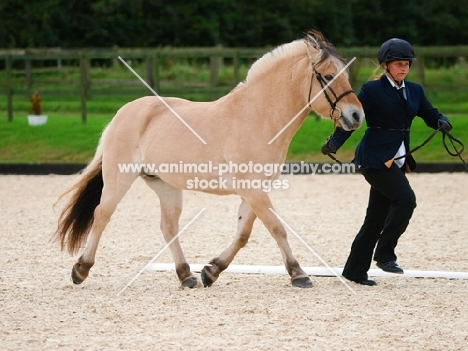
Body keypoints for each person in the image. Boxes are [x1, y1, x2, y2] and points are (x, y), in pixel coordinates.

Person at [321, 38, 452, 286]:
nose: (404, 68)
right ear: (386, 65)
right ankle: (384, 253)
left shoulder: (415, 90)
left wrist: (442, 121)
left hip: (398, 159)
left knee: (375, 218)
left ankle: (354, 271)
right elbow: (354, 118)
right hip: (374, 158)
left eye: (407, 64)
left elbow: (429, 114)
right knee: (406, 200)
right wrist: (335, 142)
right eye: (399, 64)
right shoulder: (372, 90)